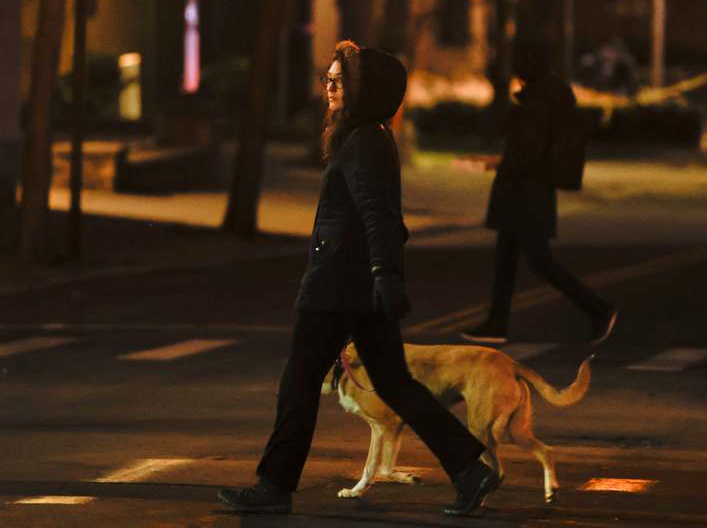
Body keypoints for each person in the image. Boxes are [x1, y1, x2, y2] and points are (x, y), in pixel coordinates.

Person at [219, 41, 499, 517]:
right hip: (359, 280)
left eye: (337, 80)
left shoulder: (364, 139)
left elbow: (377, 212)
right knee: (394, 382)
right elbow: (381, 213)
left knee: (301, 380)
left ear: (362, 91)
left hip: (340, 283)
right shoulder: (366, 136)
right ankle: (470, 470)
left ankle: (274, 487)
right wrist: (383, 276)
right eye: (327, 79)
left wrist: (385, 273)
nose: (327, 87)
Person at [462, 39, 618, 345]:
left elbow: (528, 153)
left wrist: (502, 164)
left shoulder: (538, 102)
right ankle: (497, 323)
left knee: (539, 261)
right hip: (530, 191)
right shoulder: (547, 97)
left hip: (525, 193)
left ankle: (599, 309)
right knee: (505, 258)